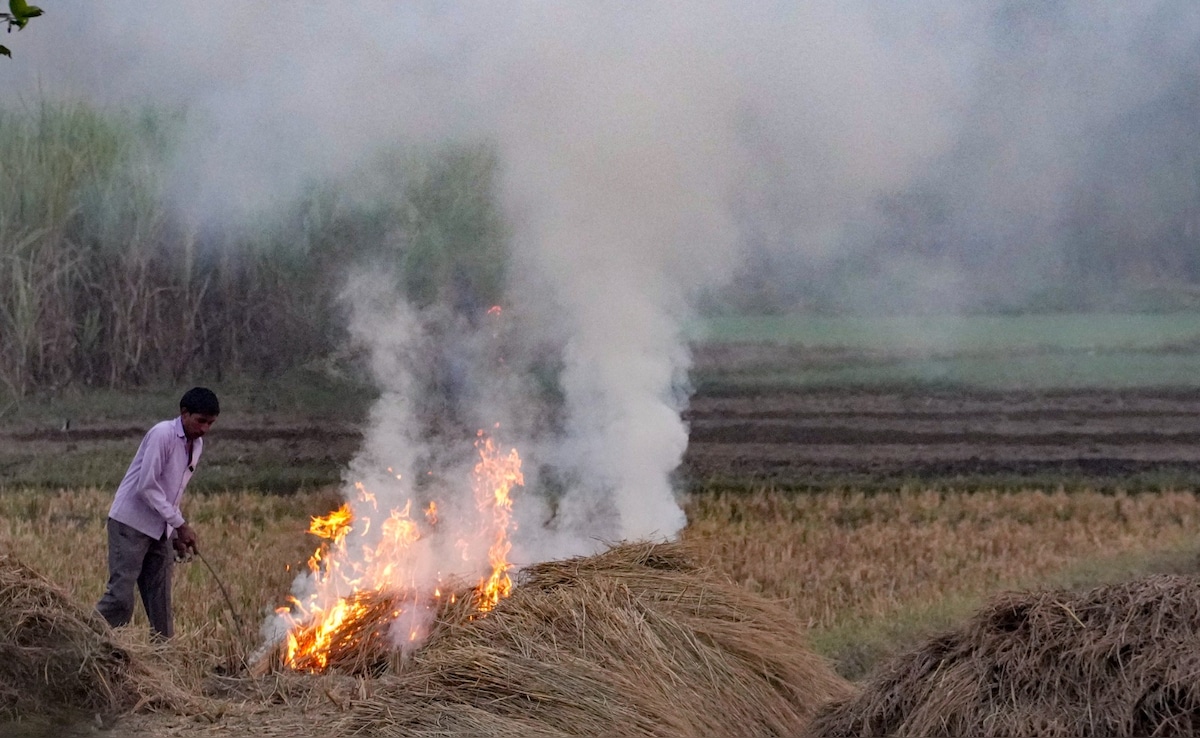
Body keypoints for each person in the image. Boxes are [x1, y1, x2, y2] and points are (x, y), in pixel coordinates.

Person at [95, 387, 219, 638]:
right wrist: (181, 524)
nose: (205, 428)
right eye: (201, 421)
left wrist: (174, 533)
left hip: (160, 529)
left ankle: (163, 662)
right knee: (120, 599)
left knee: (160, 606)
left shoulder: (197, 445)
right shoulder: (162, 434)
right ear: (184, 414)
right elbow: (147, 486)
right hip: (130, 523)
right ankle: (81, 636)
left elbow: (172, 492)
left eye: (210, 423)